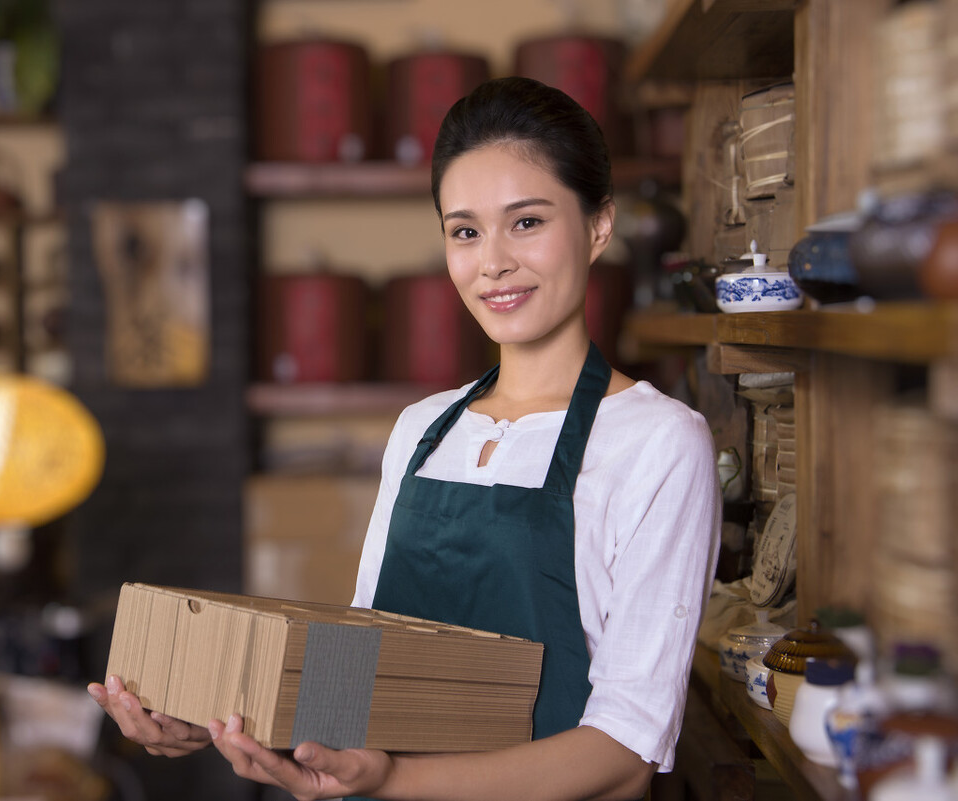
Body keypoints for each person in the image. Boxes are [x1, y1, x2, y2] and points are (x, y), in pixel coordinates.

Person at [88, 76, 721, 801]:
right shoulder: (423, 429)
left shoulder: (657, 442)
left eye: (527, 222)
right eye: (465, 231)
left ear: (600, 224)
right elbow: (359, 668)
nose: (493, 263)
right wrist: (218, 720)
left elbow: (626, 748)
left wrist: (396, 778)